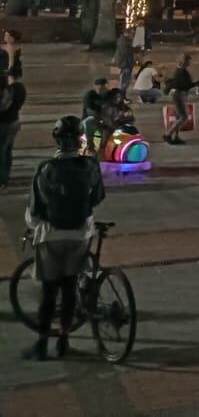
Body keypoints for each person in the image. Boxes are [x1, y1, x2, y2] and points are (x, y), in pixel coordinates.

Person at [21, 116, 106, 360]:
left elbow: (36, 210)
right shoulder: (90, 166)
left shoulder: (45, 169)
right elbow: (97, 197)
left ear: (56, 139)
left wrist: (32, 225)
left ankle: (41, 345)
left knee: (49, 293)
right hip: (80, 234)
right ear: (79, 138)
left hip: (51, 235)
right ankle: (64, 342)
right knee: (69, 290)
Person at [0, 68, 26, 189]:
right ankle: (5, 178)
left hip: (4, 124)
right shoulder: (21, 88)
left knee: (2, 152)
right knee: (7, 150)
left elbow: (3, 106)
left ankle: (2, 179)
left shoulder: (10, 90)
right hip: (14, 122)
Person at [166, 53, 194, 145]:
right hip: (179, 95)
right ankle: (169, 134)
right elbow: (186, 85)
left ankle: (175, 136)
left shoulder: (180, 70)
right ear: (184, 61)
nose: (190, 62)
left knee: (179, 116)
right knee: (184, 116)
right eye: (189, 60)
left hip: (179, 94)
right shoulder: (181, 71)